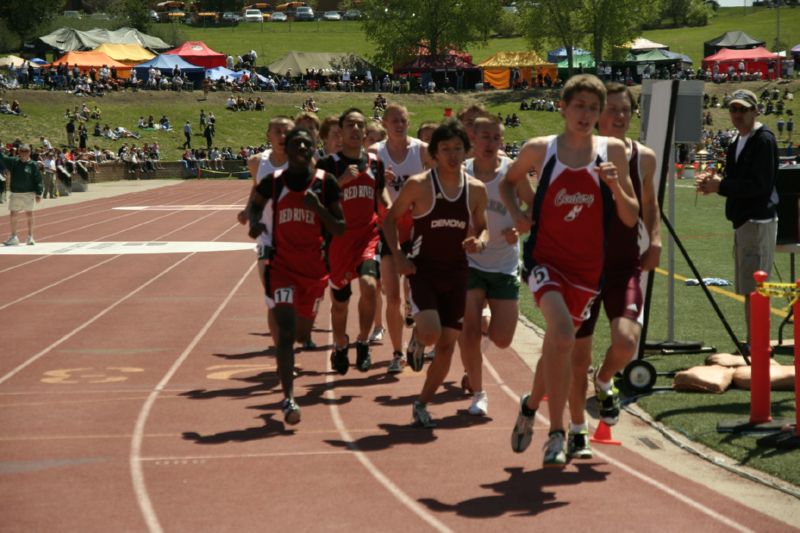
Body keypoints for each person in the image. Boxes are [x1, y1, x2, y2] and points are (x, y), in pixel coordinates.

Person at [500, 74, 639, 466]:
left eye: (593, 109)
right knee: (561, 335)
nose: (586, 115)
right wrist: (519, 215)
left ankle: (529, 406)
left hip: (587, 270)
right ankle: (556, 434)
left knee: (557, 349)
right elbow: (506, 183)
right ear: (562, 107)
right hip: (545, 261)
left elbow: (630, 218)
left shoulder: (611, 151)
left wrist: (615, 187)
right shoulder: (539, 150)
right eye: (578, 106)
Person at [532, 82, 661, 460]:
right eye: (613, 110)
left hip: (622, 263)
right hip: (580, 267)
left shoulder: (643, 157)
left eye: (626, 111)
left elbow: (650, 204)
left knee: (625, 343)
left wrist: (653, 239)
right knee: (577, 356)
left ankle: (604, 381)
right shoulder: (578, 150)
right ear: (598, 113)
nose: (619, 117)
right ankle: (576, 429)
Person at [383, 119, 489, 427]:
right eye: (446, 149)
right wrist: (399, 255)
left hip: (457, 273)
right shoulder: (419, 184)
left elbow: (484, 231)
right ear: (434, 154)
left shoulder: (476, 190)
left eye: (458, 149)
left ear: (466, 152)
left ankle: (422, 403)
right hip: (424, 269)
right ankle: (417, 338)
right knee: (431, 332)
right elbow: (389, 221)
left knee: (446, 347)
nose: (453, 155)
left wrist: (479, 243)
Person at [246, 127, 345, 425]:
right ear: (287, 150)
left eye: (307, 144)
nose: (302, 148)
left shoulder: (325, 184)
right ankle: (288, 396)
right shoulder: (273, 182)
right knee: (286, 333)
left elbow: (339, 227)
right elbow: (254, 205)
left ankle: (300, 346)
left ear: (314, 149)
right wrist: (254, 223)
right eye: (296, 144)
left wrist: (319, 210)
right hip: (282, 268)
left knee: (302, 335)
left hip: (314, 271)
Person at [459, 116, 534, 416]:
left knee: (502, 339)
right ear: (473, 140)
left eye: (495, 138)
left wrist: (521, 227)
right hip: (469, 262)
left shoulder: (511, 174)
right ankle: (478, 392)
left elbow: (533, 207)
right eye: (484, 137)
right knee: (470, 331)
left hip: (503, 263)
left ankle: (472, 366)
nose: (490, 143)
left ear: (502, 142)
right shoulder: (461, 172)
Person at [696, 89, 779, 348]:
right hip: (745, 221)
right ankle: (754, 340)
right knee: (748, 286)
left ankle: (757, 343)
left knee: (755, 287)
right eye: (733, 109)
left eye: (743, 109)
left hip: (757, 221)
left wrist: (721, 186)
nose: (738, 115)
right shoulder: (737, 141)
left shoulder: (763, 140)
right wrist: (713, 185)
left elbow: (759, 185)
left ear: (756, 110)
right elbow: (734, 182)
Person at [316, 108, 389, 375]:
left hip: (368, 237)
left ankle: (362, 343)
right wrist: (340, 181)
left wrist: (391, 209)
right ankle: (340, 345)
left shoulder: (375, 162)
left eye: (360, 125)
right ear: (341, 131)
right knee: (340, 303)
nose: (356, 130)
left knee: (370, 287)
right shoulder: (327, 165)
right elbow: (315, 200)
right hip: (338, 241)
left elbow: (380, 194)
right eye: (351, 125)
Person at [369, 104, 431, 373]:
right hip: (389, 228)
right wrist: (378, 180)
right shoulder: (375, 153)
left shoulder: (422, 150)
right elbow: (363, 190)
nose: (399, 124)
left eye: (403, 120)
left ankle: (417, 337)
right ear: (384, 124)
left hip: (418, 228)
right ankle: (397, 353)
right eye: (393, 120)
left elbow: (443, 179)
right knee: (391, 295)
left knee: (423, 294)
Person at [1, 144, 44, 246]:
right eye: (22, 151)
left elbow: (38, 180)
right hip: (15, 193)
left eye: (26, 151)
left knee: (29, 214)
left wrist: (39, 193)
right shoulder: (13, 162)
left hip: (29, 193)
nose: (24, 153)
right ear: (19, 152)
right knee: (13, 214)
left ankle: (30, 236)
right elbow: (2, 157)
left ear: (30, 152)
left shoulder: (33, 164)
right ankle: (13, 236)